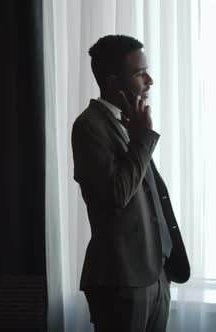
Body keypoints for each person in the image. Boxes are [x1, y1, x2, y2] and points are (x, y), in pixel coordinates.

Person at [71, 35, 190, 332]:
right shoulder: (89, 126)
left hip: (156, 276)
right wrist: (142, 139)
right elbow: (116, 195)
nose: (149, 80)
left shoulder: (130, 123)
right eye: (139, 73)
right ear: (112, 82)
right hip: (121, 282)